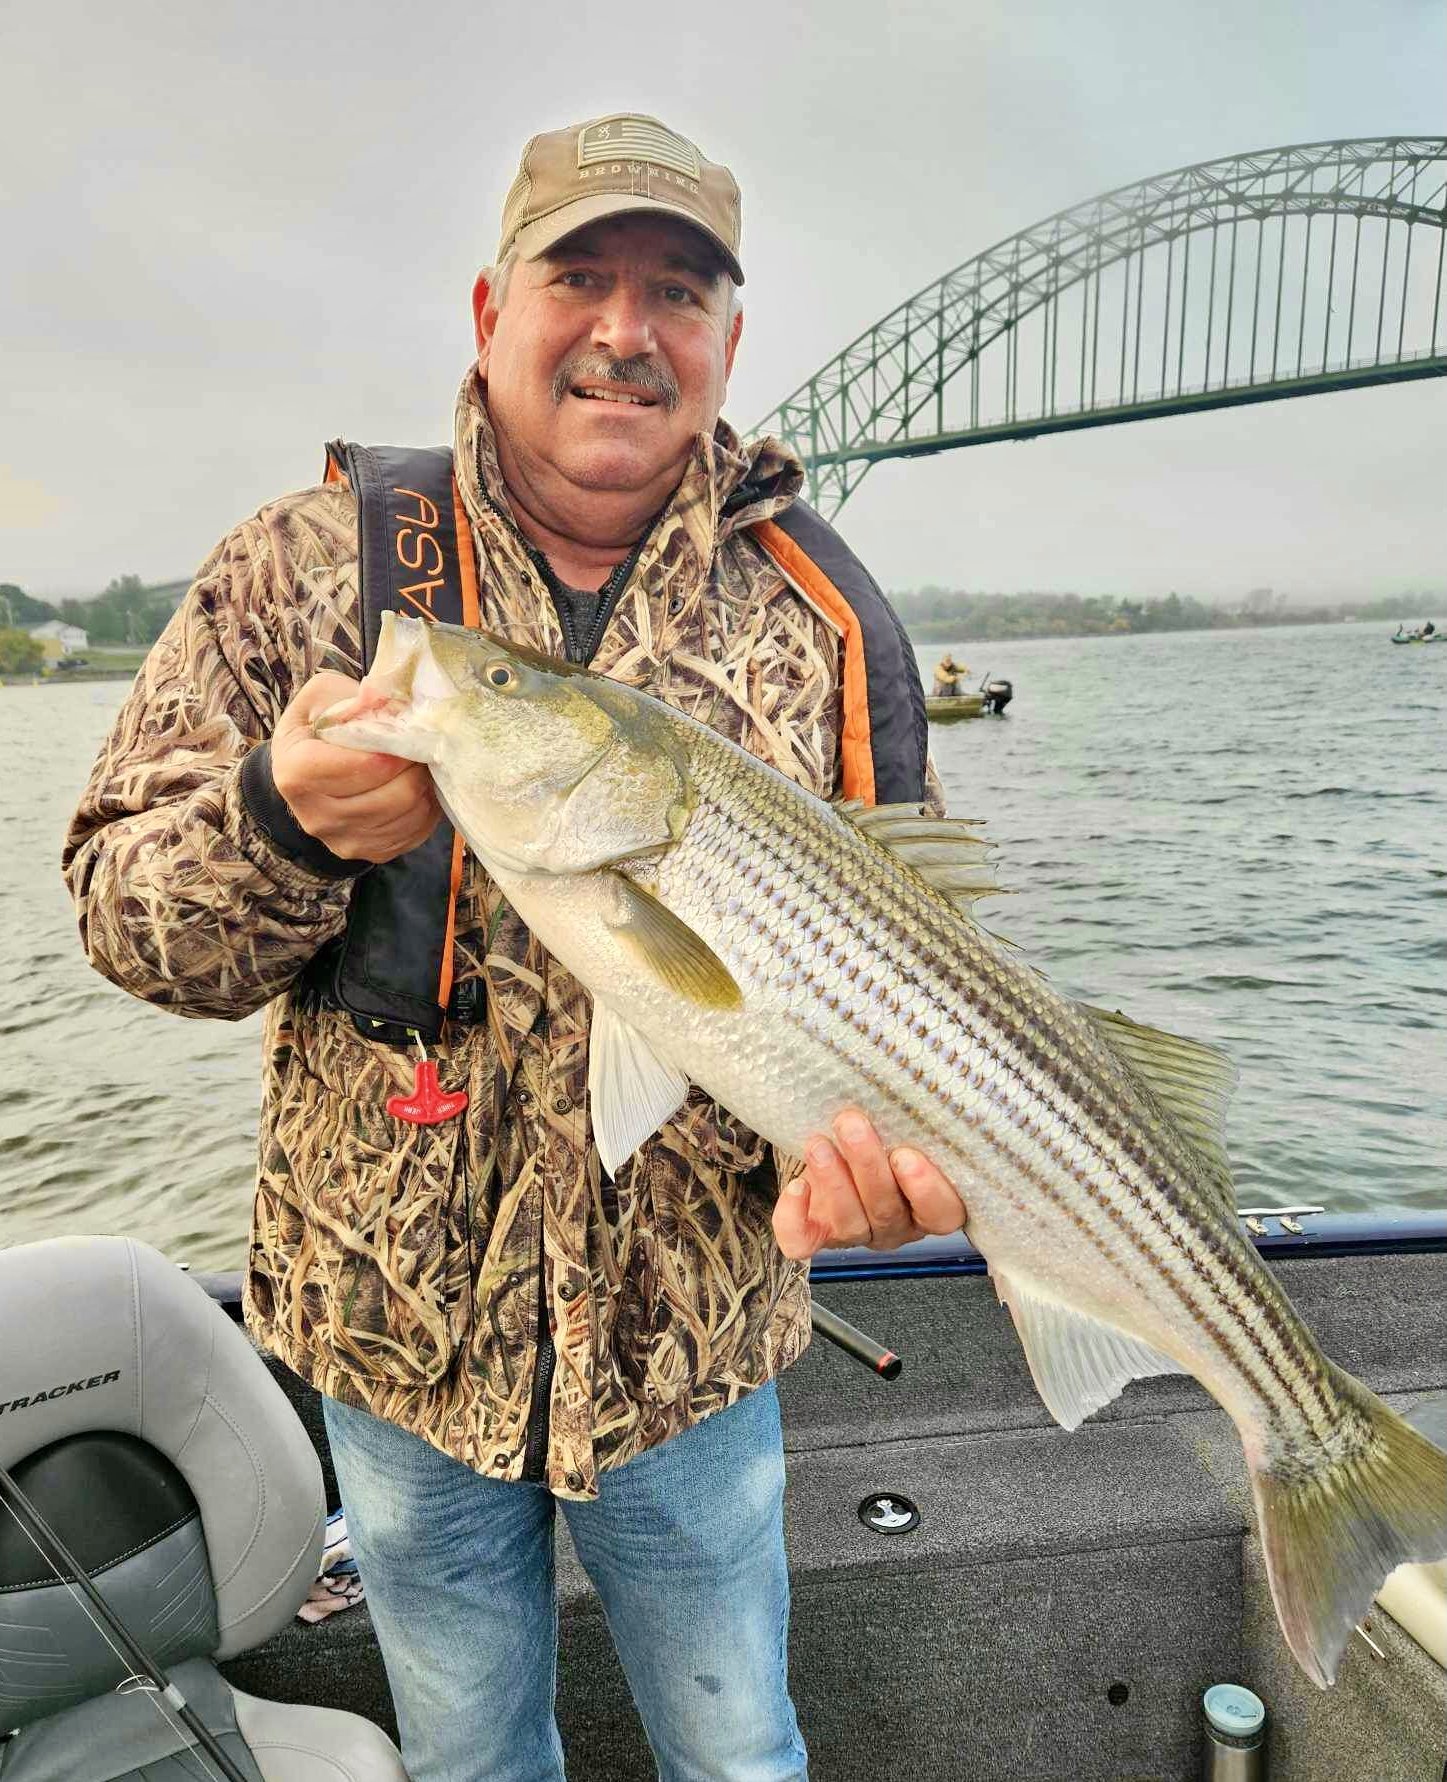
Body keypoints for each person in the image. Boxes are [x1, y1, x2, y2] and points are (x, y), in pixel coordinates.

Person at [63, 113, 965, 1782]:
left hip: (697, 1361)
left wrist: (893, 1167)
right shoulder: (315, 569)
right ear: (490, 311)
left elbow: (916, 973)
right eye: (580, 276)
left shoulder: (829, 622)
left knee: (741, 1753)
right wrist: (283, 822)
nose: (626, 329)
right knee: (470, 1760)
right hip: (395, 1346)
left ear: (730, 339)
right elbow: (117, 905)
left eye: (677, 290)